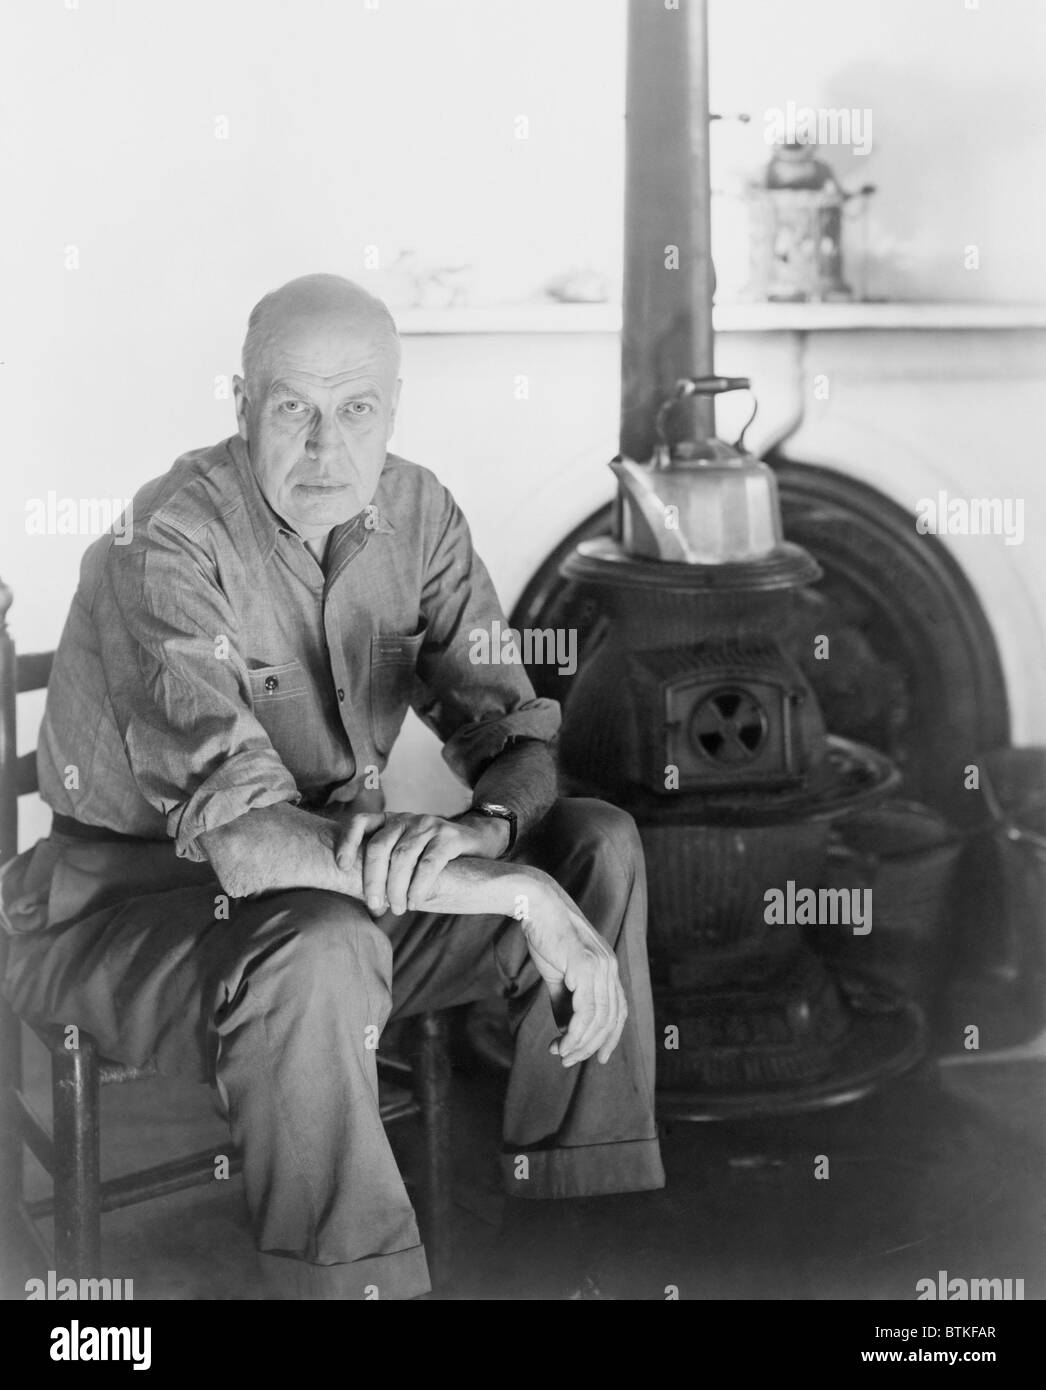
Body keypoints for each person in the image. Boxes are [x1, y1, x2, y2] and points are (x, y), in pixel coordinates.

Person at [0, 274, 664, 1300]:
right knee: (325, 941)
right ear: (240, 405)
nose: (325, 450)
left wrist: (491, 831)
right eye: (291, 410)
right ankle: (352, 1285)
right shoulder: (166, 544)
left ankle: (573, 1230)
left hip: (342, 880)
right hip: (138, 912)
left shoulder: (417, 511)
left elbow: (515, 727)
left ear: (392, 408)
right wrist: (514, 894)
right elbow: (251, 843)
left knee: (597, 843)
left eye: (355, 411)